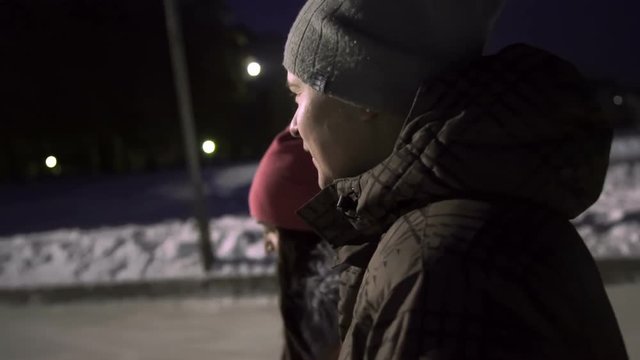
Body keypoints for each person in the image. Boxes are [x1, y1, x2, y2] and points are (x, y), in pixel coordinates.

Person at [282, 0, 629, 358]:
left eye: (299, 94)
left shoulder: (441, 262)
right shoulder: (455, 229)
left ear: (361, 93)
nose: (292, 126)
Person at [249, 128, 341, 360]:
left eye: (270, 230)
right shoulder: (330, 313)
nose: (267, 246)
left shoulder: (326, 324)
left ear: (299, 234)